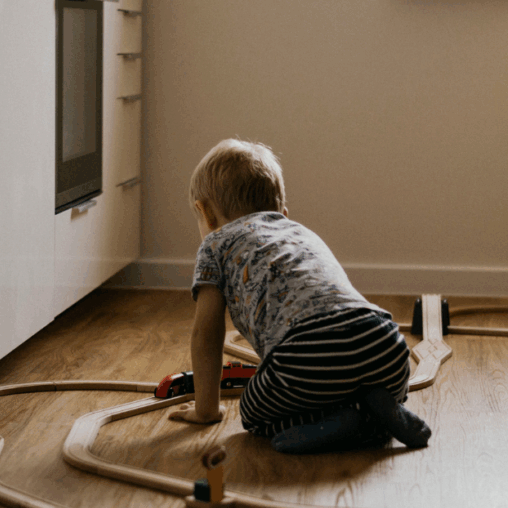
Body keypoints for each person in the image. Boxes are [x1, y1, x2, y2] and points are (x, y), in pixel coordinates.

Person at [169, 138, 431, 454]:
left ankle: (339, 423)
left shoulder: (215, 245)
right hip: (382, 342)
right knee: (366, 378)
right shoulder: (301, 232)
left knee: (252, 412)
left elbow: (206, 334)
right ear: (282, 211)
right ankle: (380, 406)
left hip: (308, 352)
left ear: (206, 214)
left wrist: (206, 410)